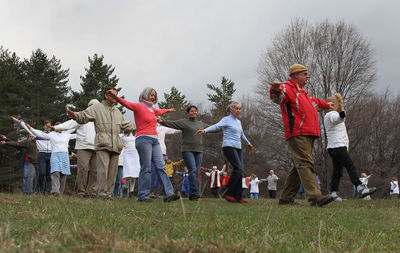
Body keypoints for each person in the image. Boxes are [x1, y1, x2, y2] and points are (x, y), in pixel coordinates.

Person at [270, 64, 335, 207]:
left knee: (299, 165)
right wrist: (275, 90)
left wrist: (326, 105)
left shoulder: (303, 93)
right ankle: (315, 197)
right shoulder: (287, 88)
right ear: (295, 75)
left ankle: (286, 199)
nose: (307, 76)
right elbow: (278, 97)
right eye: (304, 74)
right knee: (305, 163)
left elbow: (315, 102)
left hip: (308, 132)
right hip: (297, 132)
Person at [107, 87, 179, 203]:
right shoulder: (138, 106)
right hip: (143, 139)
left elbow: (159, 111)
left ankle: (169, 194)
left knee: (161, 166)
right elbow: (125, 103)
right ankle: (143, 195)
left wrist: (169, 110)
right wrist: (115, 97)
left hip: (155, 141)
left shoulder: (152, 109)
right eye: (151, 95)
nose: (153, 97)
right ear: (145, 95)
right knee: (146, 168)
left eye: (154, 95)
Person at [66, 87, 134, 200]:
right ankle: (102, 193)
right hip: (102, 143)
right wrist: (75, 115)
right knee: (102, 170)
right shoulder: (97, 108)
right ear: (106, 95)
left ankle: (109, 194)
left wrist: (143, 124)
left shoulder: (117, 112)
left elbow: (127, 125)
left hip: (116, 145)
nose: (116, 97)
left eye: (117, 95)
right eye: (113, 95)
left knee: (113, 172)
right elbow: (84, 115)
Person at [197, 102, 254, 203]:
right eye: (236, 108)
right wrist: (205, 130)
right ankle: (227, 192)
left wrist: (248, 143)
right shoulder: (226, 119)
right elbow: (216, 126)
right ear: (231, 110)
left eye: (240, 109)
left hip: (238, 148)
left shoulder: (238, 122)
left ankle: (237, 196)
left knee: (240, 171)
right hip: (228, 146)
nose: (238, 110)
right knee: (238, 168)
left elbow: (242, 134)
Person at [324, 93, 376, 201]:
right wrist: (341, 115)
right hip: (338, 146)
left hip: (332, 147)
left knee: (338, 170)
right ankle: (360, 187)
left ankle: (333, 193)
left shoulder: (326, 116)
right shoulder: (332, 114)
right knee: (350, 165)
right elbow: (336, 119)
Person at [159, 105, 209, 201]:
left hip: (199, 150)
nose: (194, 112)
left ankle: (192, 194)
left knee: (196, 172)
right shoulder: (184, 122)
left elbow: (212, 128)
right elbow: (173, 123)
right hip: (187, 150)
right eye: (191, 111)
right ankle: (195, 193)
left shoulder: (200, 124)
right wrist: (162, 122)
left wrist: (224, 127)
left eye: (195, 111)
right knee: (193, 170)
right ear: (188, 113)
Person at [54, 99, 99, 198]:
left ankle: (92, 192)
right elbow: (70, 123)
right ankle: (81, 192)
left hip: (97, 147)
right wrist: (56, 128)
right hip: (83, 147)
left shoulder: (100, 119)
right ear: (89, 107)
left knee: (95, 171)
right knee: (83, 169)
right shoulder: (82, 117)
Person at [25, 122, 76, 196]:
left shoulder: (67, 135)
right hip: (55, 154)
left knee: (63, 174)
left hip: (64, 156)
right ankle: (55, 192)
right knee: (55, 172)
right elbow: (40, 134)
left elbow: (78, 134)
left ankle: (60, 193)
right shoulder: (52, 134)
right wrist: (30, 128)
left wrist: (82, 126)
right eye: (57, 126)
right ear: (55, 128)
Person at [13, 117, 52, 194]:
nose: (48, 128)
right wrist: (18, 121)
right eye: (47, 126)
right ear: (44, 126)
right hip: (42, 155)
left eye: (50, 126)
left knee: (49, 175)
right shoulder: (39, 133)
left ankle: (47, 191)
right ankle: (39, 189)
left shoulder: (53, 135)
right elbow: (27, 128)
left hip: (51, 155)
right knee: (41, 173)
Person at [120, 130, 141, 197]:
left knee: (134, 174)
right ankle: (126, 188)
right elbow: (117, 139)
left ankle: (131, 192)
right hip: (127, 153)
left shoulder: (137, 134)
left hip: (135, 154)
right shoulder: (123, 134)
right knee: (128, 173)